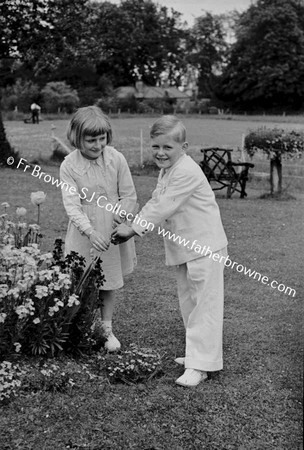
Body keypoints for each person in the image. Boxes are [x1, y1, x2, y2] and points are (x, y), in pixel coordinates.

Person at [111, 115, 228, 387]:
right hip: (188, 248)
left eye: (167, 148)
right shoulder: (169, 170)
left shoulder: (186, 170)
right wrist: (133, 220)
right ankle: (196, 355)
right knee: (189, 302)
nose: (160, 153)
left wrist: (133, 229)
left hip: (205, 246)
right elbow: (156, 200)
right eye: (155, 147)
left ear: (183, 147)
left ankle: (201, 366)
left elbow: (166, 205)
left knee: (204, 306)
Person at [60, 106, 137, 352]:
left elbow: (129, 195)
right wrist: (90, 232)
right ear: (77, 137)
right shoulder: (69, 165)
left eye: (101, 139)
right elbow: (72, 206)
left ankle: (106, 330)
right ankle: (78, 327)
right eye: (90, 140)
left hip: (112, 229)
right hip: (85, 230)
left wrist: (122, 216)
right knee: (80, 280)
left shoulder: (116, 158)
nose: (97, 145)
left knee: (108, 280)